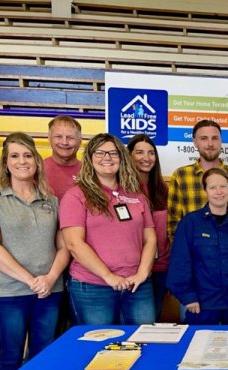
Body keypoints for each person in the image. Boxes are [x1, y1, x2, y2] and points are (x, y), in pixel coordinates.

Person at [0, 132, 69, 370]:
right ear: (5, 162)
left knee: (43, 354)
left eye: (27, 155)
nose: (22, 161)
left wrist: (50, 278)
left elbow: (64, 245)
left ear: (36, 161)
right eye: (14, 156)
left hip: (49, 291)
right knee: (10, 355)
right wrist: (30, 280)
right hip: (7, 293)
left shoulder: (51, 200)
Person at [60, 133, 157, 325]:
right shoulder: (76, 195)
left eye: (113, 153)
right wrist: (109, 276)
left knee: (145, 342)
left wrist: (142, 273)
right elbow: (73, 243)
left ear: (122, 158)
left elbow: (150, 239)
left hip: (137, 286)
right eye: (100, 153)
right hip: (93, 287)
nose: (107, 158)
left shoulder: (137, 196)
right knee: (100, 346)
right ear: (89, 158)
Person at [167, 168, 228, 324]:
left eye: (223, 186)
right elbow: (180, 264)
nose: (219, 191)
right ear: (205, 191)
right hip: (202, 305)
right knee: (198, 345)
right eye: (213, 187)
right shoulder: (190, 223)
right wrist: (188, 297)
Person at [167, 119, 228, 239]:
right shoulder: (181, 175)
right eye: (204, 138)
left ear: (221, 141)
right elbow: (173, 223)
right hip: (194, 252)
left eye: (215, 138)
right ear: (195, 142)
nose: (210, 144)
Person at [127, 134, 170, 320]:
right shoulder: (123, 190)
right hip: (133, 268)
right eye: (140, 152)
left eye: (151, 153)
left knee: (152, 320)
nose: (146, 157)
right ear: (128, 156)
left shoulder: (163, 189)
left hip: (161, 267)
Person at [44, 115, 82, 200]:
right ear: (49, 138)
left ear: (80, 141)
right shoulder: (37, 170)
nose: (64, 142)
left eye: (70, 138)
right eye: (58, 137)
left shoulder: (89, 172)